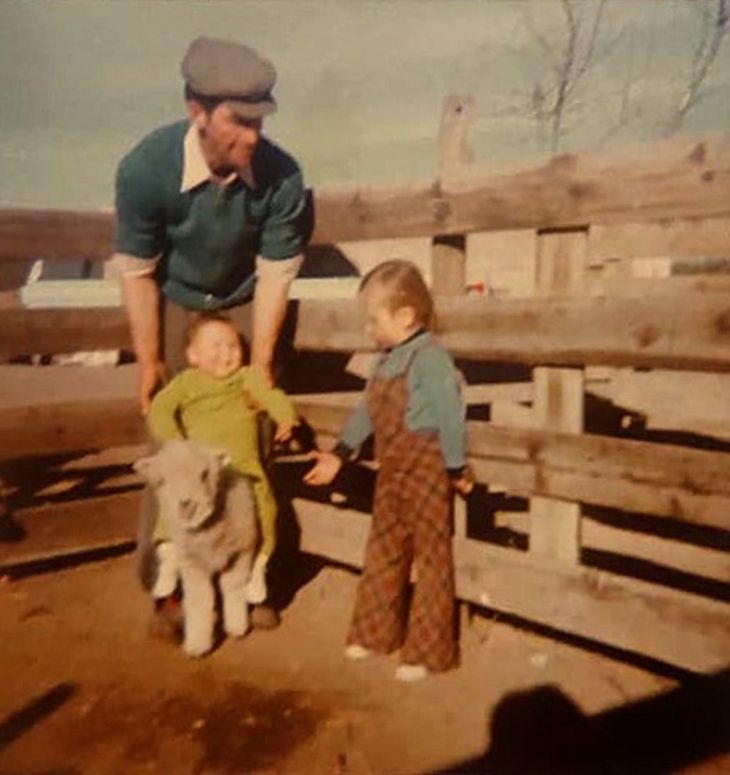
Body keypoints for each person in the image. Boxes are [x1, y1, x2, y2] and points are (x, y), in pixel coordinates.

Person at [111, 36, 308, 630]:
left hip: (246, 300)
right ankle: (167, 586)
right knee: (170, 447)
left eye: (259, 122)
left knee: (251, 437)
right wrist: (150, 360)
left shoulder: (283, 177)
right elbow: (139, 274)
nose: (251, 137)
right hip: (173, 300)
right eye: (237, 122)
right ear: (196, 110)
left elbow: (276, 276)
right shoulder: (146, 168)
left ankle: (250, 577)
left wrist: (263, 362)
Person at [304, 260, 473, 682]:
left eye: (372, 320)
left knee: (432, 559)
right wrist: (340, 453)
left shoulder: (431, 358)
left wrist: (456, 467)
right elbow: (366, 413)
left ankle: (426, 652)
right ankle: (375, 634)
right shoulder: (384, 363)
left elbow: (451, 417)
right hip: (392, 469)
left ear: (405, 317)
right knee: (383, 549)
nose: (367, 330)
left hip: (429, 469)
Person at [146, 312, 297, 609]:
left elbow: (270, 395)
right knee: (177, 503)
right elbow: (160, 408)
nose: (226, 354)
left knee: (264, 506)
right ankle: (170, 556)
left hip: (242, 467)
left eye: (233, 347)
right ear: (193, 355)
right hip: (200, 468)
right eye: (216, 346)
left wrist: (285, 418)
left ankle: (257, 568)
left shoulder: (246, 378)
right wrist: (176, 442)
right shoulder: (186, 383)